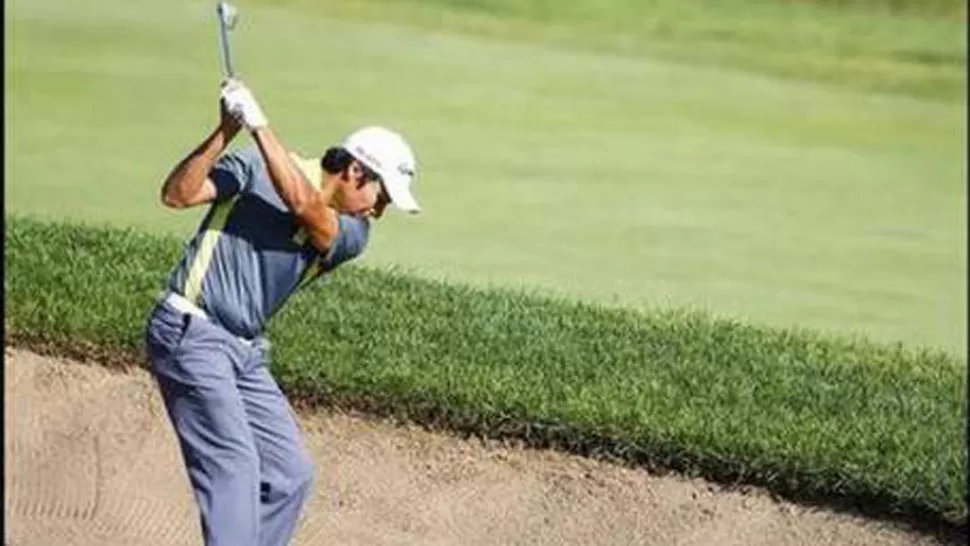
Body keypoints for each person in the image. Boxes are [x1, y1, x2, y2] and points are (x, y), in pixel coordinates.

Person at [143, 79, 420, 546]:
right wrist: (226, 131)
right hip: (191, 332)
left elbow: (306, 208)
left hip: (245, 355)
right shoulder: (255, 169)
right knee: (234, 465)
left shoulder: (351, 234)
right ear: (355, 172)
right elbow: (177, 195)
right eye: (382, 196)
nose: (379, 211)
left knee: (290, 474)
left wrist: (259, 125)